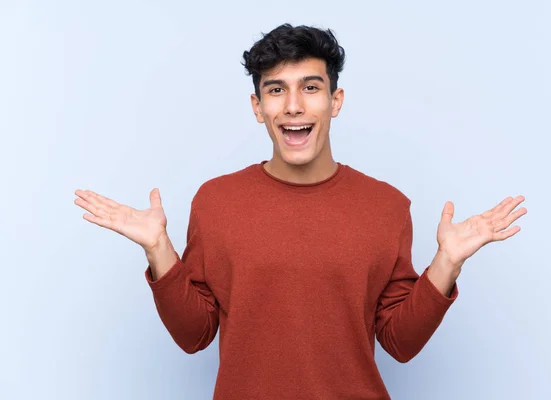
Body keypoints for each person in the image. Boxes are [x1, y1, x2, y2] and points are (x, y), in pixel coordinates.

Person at [74, 23, 527, 400]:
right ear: (258, 107)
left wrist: (447, 263)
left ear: (335, 101)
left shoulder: (387, 206)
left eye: (311, 88)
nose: (293, 105)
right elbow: (195, 334)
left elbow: (400, 343)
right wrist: (159, 249)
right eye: (276, 90)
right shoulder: (215, 202)